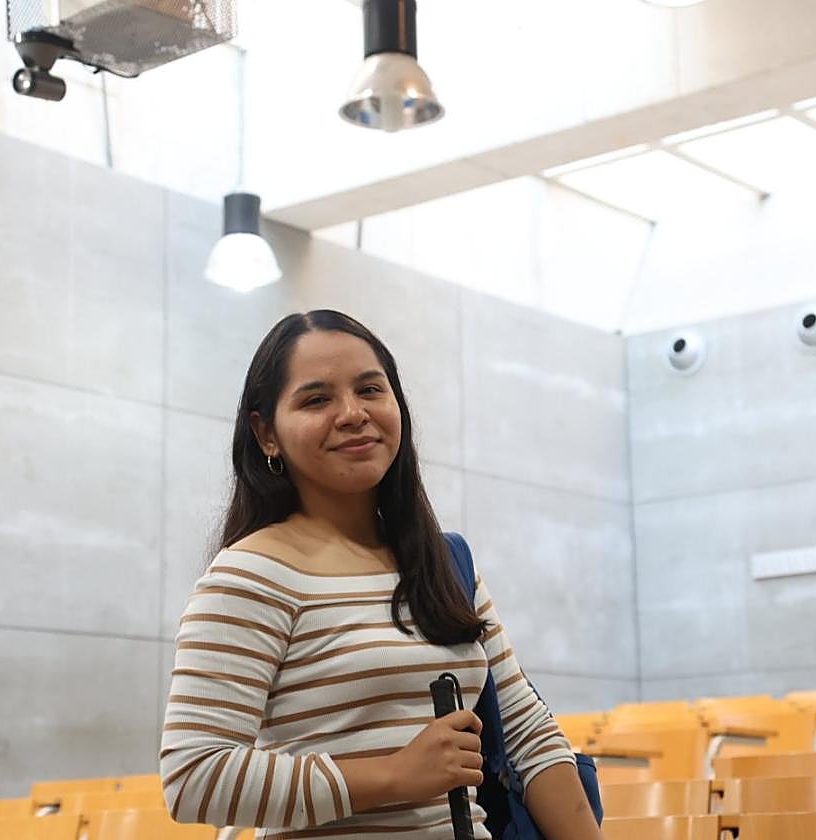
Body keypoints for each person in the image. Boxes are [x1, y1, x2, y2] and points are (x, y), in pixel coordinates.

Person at [159, 310, 603, 839]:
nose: (353, 413)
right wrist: (394, 775)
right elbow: (194, 775)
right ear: (266, 433)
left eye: (370, 389)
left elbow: (528, 735)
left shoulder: (442, 561)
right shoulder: (249, 574)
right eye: (316, 399)